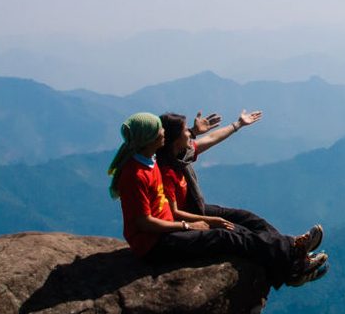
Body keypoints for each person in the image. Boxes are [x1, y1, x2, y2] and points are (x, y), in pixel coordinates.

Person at [106, 112, 326, 287]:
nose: (163, 132)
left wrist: (235, 125)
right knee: (227, 236)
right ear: (151, 139)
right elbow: (144, 223)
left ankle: (292, 257)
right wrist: (190, 225)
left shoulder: (152, 159)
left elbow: (206, 139)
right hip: (155, 243)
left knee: (242, 223)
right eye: (160, 130)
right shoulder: (139, 173)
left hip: (169, 228)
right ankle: (293, 256)